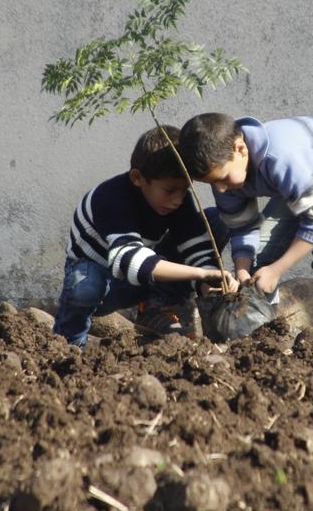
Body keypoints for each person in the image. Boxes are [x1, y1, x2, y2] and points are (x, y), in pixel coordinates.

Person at [179, 111, 313, 344]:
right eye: (212, 183)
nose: (221, 189)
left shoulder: (281, 159)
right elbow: (242, 226)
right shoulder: (224, 174)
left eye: (223, 179)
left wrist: (276, 271)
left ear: (240, 149)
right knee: (261, 259)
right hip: (303, 178)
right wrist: (243, 270)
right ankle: (267, 340)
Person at [53, 125, 237, 347]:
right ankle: (69, 343)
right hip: (104, 276)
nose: (178, 200)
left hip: (142, 272)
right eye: (170, 190)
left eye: (184, 189)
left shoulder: (177, 202)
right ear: (138, 178)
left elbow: (196, 250)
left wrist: (209, 282)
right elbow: (130, 261)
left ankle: (155, 307)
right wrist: (200, 274)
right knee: (86, 286)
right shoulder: (111, 198)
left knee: (217, 220)